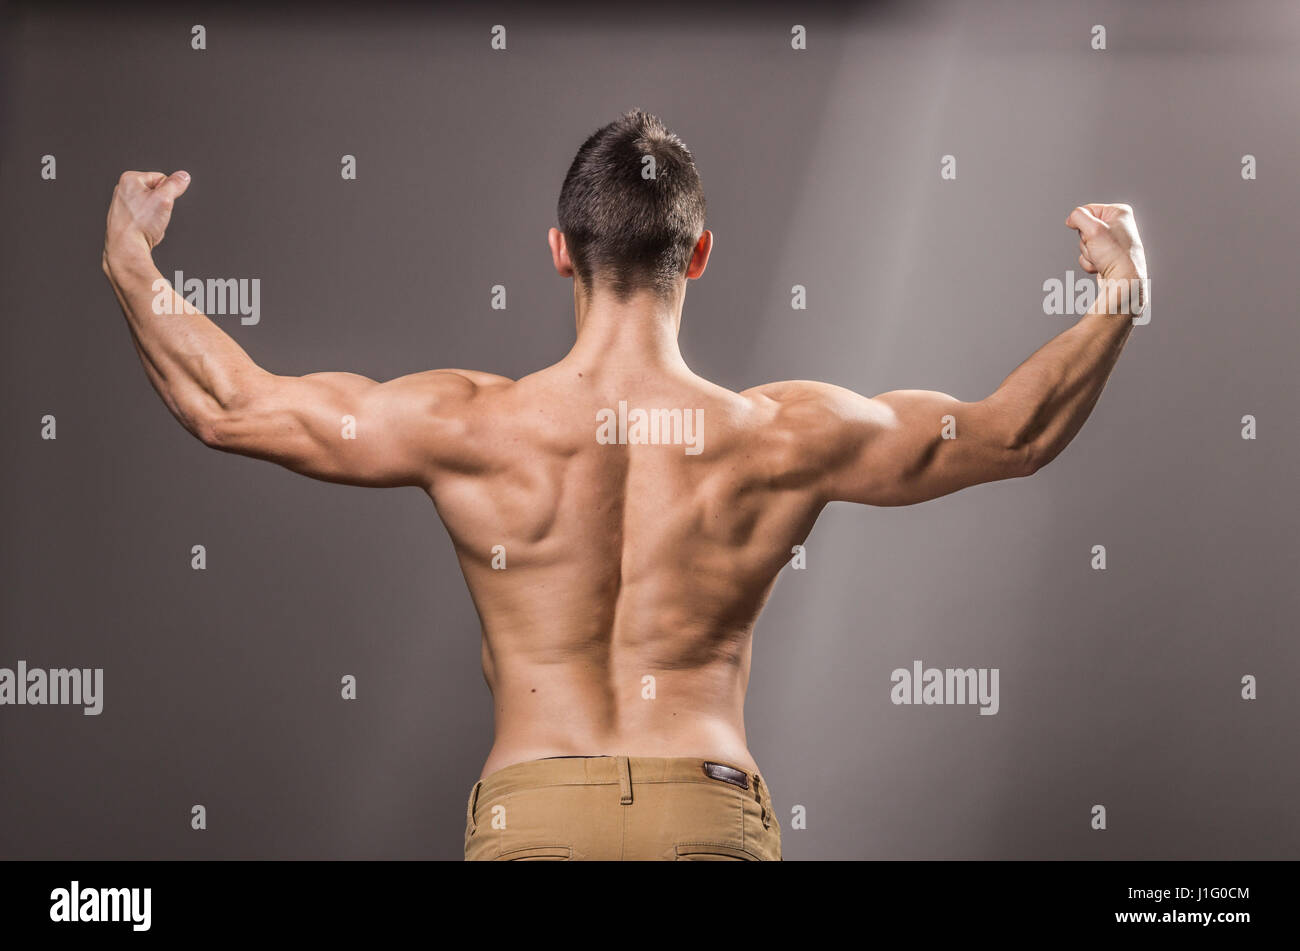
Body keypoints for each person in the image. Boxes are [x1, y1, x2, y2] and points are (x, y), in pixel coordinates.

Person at [102, 110, 1146, 861]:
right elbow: (1015, 434)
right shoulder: (783, 434)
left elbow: (229, 405)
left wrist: (132, 267)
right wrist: (1117, 296)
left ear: (560, 253)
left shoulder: (472, 423)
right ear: (698, 254)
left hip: (533, 817)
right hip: (706, 814)